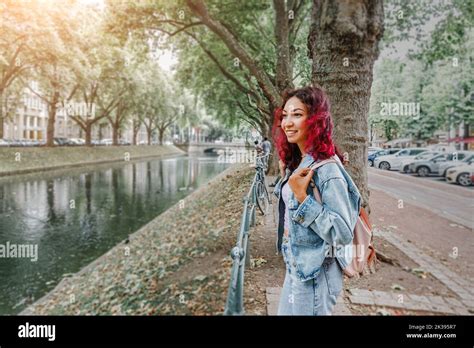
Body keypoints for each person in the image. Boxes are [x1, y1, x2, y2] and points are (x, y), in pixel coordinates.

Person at [271, 86, 361, 315]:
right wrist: (286, 179)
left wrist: (303, 198)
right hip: (297, 265)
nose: (287, 123)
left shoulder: (327, 169)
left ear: (315, 120)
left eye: (297, 115)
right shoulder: (301, 162)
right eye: (285, 116)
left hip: (316, 275)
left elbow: (342, 233)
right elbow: (290, 207)